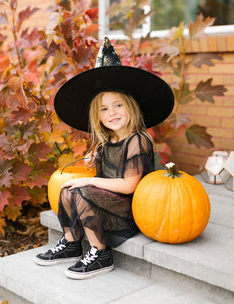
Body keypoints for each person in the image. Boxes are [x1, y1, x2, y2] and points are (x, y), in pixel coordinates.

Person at [34, 37, 174, 279]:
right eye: (104, 109)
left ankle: (101, 253)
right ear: (97, 116)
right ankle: (71, 243)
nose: (112, 113)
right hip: (106, 199)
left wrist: (89, 182)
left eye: (118, 105)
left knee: (81, 190)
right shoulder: (106, 141)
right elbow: (100, 171)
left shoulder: (137, 140)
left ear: (131, 107)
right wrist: (93, 161)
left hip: (129, 207)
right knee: (67, 189)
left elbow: (129, 185)